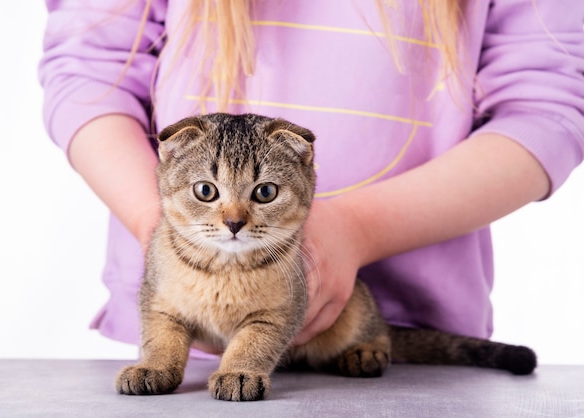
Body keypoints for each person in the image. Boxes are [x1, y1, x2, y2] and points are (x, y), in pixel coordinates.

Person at [39, 0, 584, 354]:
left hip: (398, 346)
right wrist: (164, 238)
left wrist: (357, 229)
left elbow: (548, 111)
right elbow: (90, 72)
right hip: (191, 346)